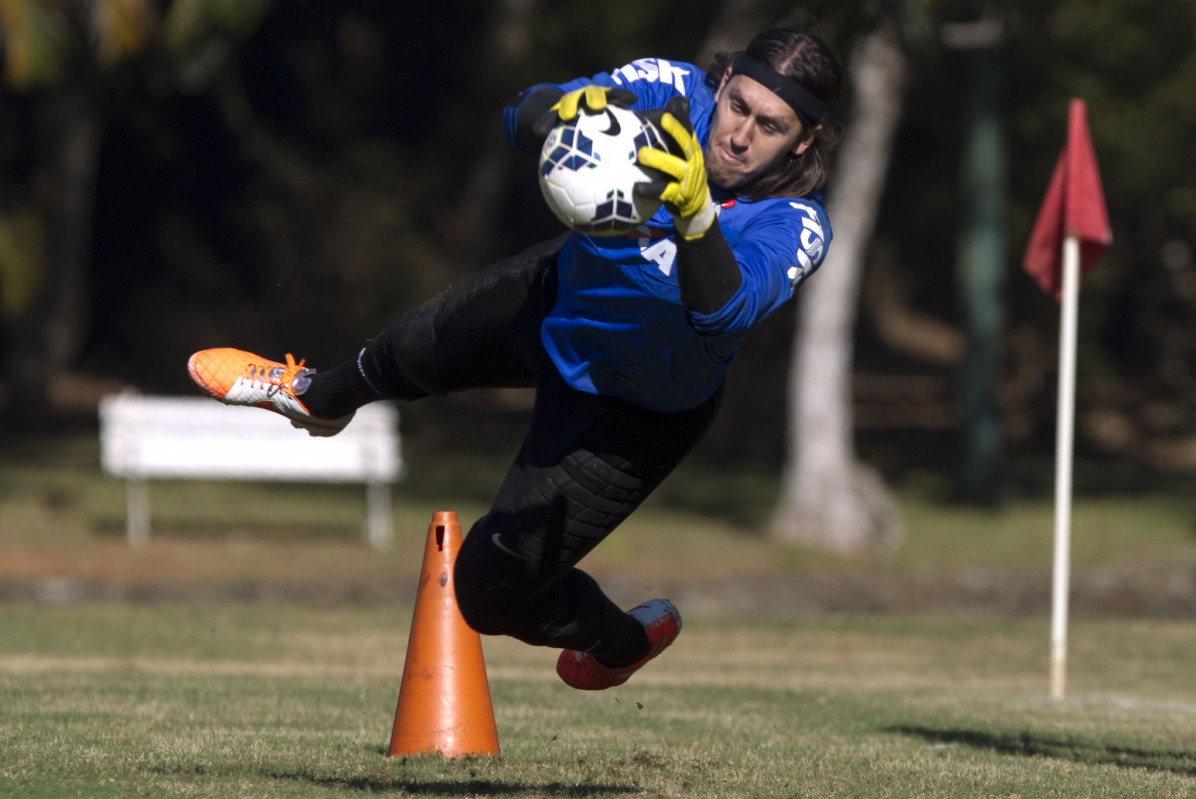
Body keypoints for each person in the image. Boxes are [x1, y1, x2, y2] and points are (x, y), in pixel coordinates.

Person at [187, 27, 844, 690]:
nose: (741, 135)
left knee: (486, 591)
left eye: (771, 125)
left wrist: (696, 212)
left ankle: (622, 641)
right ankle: (314, 398)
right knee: (414, 346)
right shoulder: (673, 90)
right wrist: (558, 111)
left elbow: (724, 312)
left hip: (629, 414)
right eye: (739, 107)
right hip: (557, 299)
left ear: (804, 139)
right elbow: (521, 112)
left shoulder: (797, 222)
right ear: (723, 80)